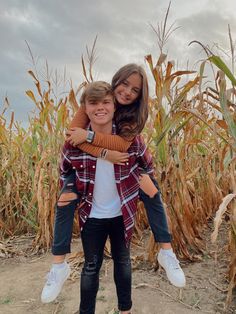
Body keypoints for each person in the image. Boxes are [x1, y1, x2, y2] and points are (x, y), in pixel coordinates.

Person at [41, 64, 185, 304]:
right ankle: (58, 267)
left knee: (152, 191)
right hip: (91, 211)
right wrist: (103, 154)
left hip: (122, 207)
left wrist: (145, 178)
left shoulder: (131, 122)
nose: (128, 91)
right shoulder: (97, 100)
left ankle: (166, 252)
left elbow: (127, 148)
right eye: (125, 84)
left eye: (135, 90)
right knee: (65, 201)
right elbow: (72, 138)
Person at [62, 81, 154, 313]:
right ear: (85, 108)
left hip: (122, 213)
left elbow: (149, 166)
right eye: (93, 103)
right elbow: (64, 172)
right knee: (91, 266)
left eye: (106, 102)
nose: (100, 108)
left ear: (115, 106)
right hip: (91, 215)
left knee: (122, 261)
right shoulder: (74, 142)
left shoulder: (129, 137)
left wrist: (141, 184)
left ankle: (125, 309)